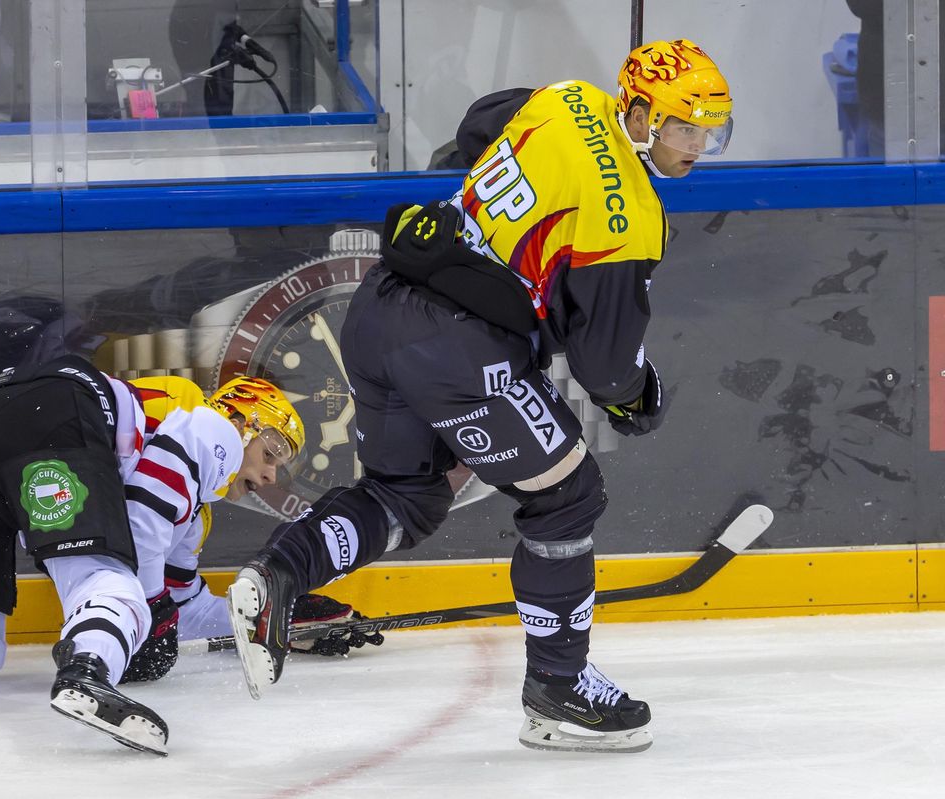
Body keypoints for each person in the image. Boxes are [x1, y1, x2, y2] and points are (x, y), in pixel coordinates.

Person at [225, 39, 733, 753]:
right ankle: (560, 687)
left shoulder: (567, 97)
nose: (698, 145)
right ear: (642, 114)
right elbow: (606, 365)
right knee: (569, 494)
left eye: (710, 129)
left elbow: (474, 127)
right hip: (458, 346)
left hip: (383, 304)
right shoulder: (629, 218)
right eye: (685, 127)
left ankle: (281, 572)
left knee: (408, 492)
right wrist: (637, 397)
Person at [0, 355, 375, 755]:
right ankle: (87, 675)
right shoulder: (210, 426)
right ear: (243, 420)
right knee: (111, 582)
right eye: (271, 449)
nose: (271, 474)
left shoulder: (191, 516)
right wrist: (145, 616)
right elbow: (143, 529)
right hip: (48, 417)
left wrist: (281, 614)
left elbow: (186, 605)